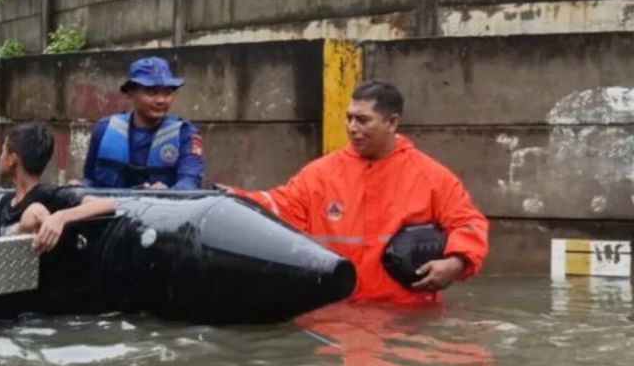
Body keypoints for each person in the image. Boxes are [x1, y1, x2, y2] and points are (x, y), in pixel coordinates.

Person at [227, 79, 490, 306]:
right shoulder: (320, 173)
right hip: (335, 313)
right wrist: (232, 199)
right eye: (349, 117)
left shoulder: (432, 177)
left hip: (406, 316)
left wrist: (455, 264)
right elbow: (279, 206)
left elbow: (468, 223)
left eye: (363, 120)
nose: (352, 128)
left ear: (392, 122)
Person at [81, 57, 204, 190]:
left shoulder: (185, 134)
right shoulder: (103, 129)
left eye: (167, 93)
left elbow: (190, 181)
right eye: (152, 93)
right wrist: (78, 188)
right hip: (110, 208)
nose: (161, 100)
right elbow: (90, 179)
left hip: (163, 208)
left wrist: (168, 193)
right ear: (131, 93)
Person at [0, 123, 118, 252]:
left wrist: (61, 217)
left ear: (12, 159)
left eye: (3, 151)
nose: (0, 158)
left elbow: (109, 204)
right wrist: (21, 228)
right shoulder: (5, 202)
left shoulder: (50, 196)